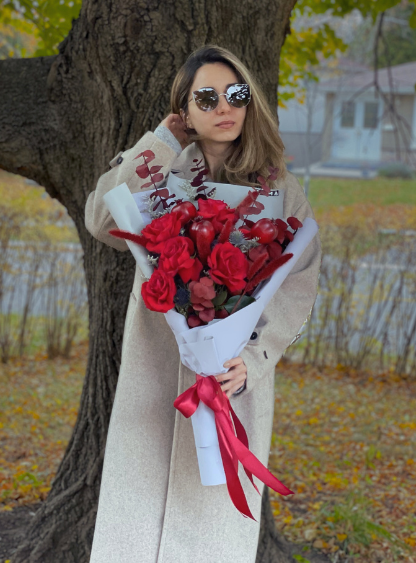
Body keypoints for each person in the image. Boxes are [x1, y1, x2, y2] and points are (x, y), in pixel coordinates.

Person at [84, 44, 322, 563]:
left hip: (232, 379)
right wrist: (163, 141)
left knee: (210, 528)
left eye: (235, 94)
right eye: (206, 97)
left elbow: (300, 281)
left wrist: (255, 360)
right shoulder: (160, 174)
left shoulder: (278, 187)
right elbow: (102, 221)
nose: (223, 107)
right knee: (137, 518)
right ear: (185, 110)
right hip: (155, 373)